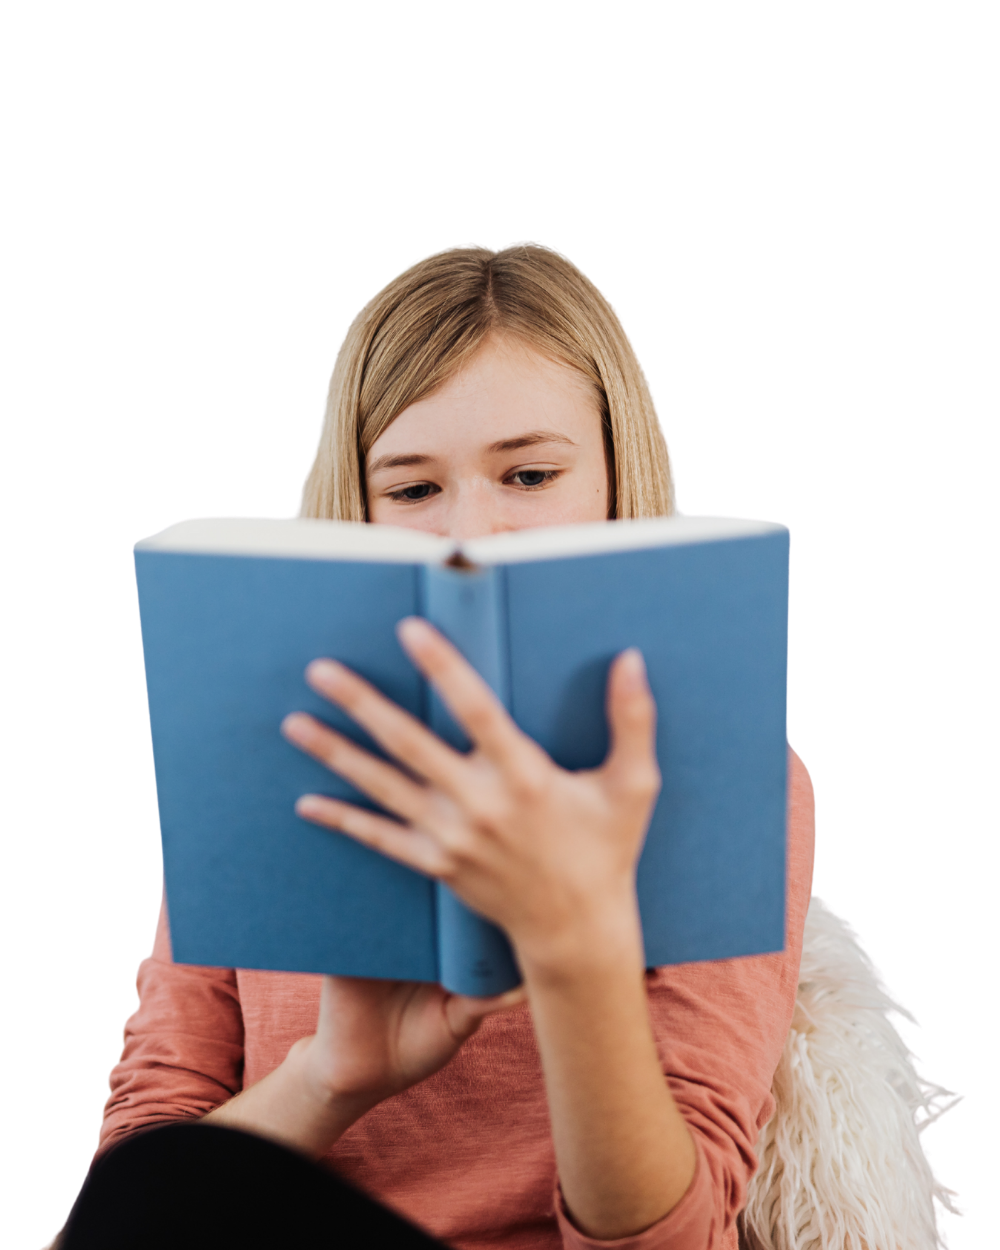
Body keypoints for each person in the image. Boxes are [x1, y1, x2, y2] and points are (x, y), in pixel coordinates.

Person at [46, 242, 817, 1249]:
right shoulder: (262, 763)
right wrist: (330, 1073)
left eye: (529, 472)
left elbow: (676, 1241)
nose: (472, 532)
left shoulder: (723, 773)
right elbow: (118, 1209)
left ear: (617, 474)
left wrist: (576, 949)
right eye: (412, 489)